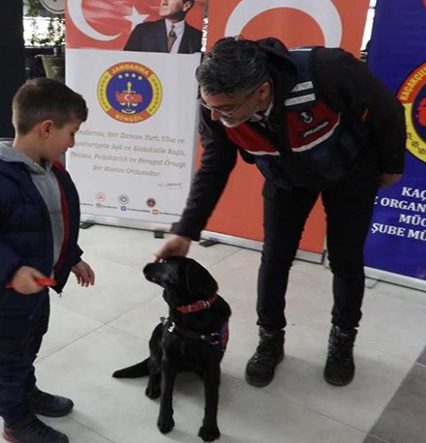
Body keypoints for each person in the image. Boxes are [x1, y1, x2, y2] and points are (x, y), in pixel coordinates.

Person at [155, 37, 406, 388]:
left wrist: (392, 165)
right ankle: (270, 339)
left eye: (225, 108)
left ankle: (343, 339)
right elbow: (214, 165)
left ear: (261, 91)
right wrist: (186, 231)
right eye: (209, 105)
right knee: (274, 258)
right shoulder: (215, 104)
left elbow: (388, 111)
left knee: (345, 259)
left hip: (351, 173)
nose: (215, 116)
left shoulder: (328, 71)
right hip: (285, 179)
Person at [0, 78, 95, 443]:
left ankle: (27, 392)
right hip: (0, 291)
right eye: (71, 133)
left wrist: (71, 257)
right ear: (46, 128)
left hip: (35, 285)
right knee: (8, 356)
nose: (72, 144)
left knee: (29, 343)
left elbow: (53, 224)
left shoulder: (50, 170)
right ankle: (15, 420)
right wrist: (11, 271)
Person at [124, 0, 202, 54]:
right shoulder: (142, 31)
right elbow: (127, 61)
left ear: (186, 5)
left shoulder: (198, 38)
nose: (164, 2)